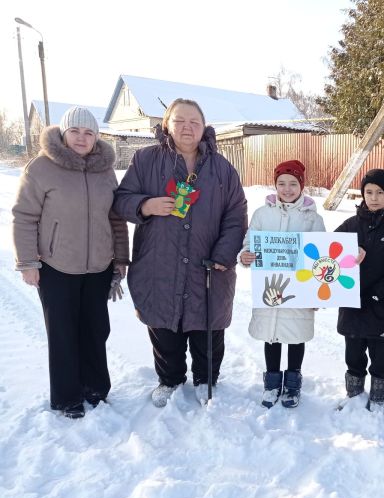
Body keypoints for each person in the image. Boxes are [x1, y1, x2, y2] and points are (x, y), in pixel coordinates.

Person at [112, 98, 247, 407]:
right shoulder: (146, 160)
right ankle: (170, 378)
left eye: (194, 122)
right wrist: (145, 205)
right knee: (163, 326)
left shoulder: (222, 169)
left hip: (209, 263)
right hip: (159, 261)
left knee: (207, 325)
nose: (187, 128)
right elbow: (121, 199)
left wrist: (224, 254)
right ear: (167, 125)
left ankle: (206, 379)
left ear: (204, 128)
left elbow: (236, 213)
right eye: (180, 121)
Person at [12, 106, 129, 419]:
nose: (82, 138)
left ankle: (95, 389)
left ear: (96, 137)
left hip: (99, 267)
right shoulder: (41, 168)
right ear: (63, 134)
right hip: (56, 266)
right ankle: (67, 398)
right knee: (63, 333)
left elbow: (116, 218)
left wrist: (120, 258)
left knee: (95, 329)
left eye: (89, 132)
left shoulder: (105, 171)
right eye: (75, 131)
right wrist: (27, 262)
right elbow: (24, 217)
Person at [239, 160, 325, 408]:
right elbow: (249, 243)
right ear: (275, 185)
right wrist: (245, 255)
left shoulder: (312, 218)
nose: (287, 189)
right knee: (272, 336)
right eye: (281, 183)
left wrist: (318, 294)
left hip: (301, 290)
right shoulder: (262, 214)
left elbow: (321, 256)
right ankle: (272, 383)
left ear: (302, 186)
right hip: (270, 287)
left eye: (293, 184)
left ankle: (293, 383)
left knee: (296, 336)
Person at [335, 169, 384, 412]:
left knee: (378, 357)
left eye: (379, 192)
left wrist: (381, 291)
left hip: (380, 305)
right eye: (368, 192)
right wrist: (353, 249)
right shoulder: (350, 225)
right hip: (352, 303)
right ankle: (354, 393)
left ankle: (377, 398)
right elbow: (328, 253)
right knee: (353, 354)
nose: (374, 197)